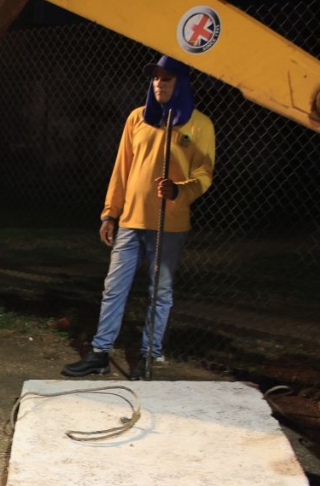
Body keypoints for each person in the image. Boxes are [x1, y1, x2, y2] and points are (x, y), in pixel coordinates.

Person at [62, 55, 215, 377]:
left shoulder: (199, 124)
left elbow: (204, 174)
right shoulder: (138, 118)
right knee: (114, 287)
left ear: (181, 83)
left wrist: (179, 190)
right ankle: (100, 353)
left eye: (166, 78)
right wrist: (110, 213)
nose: (159, 83)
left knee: (160, 292)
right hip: (131, 220)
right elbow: (122, 169)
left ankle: (148, 356)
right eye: (155, 78)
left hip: (168, 224)